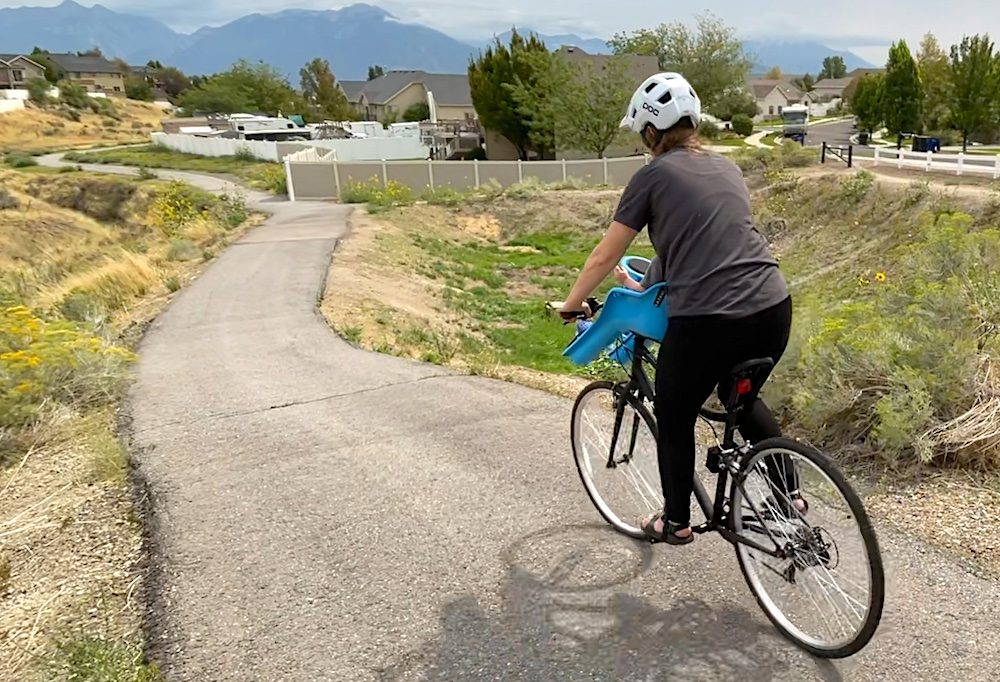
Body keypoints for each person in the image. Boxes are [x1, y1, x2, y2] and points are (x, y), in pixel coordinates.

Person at [559, 72, 797, 545]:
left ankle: (675, 521)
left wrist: (571, 304)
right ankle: (790, 495)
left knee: (674, 411)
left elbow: (604, 255)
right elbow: (695, 244)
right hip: (773, 306)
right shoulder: (726, 168)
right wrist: (639, 282)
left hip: (710, 320)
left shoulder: (651, 177)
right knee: (741, 397)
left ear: (651, 131)